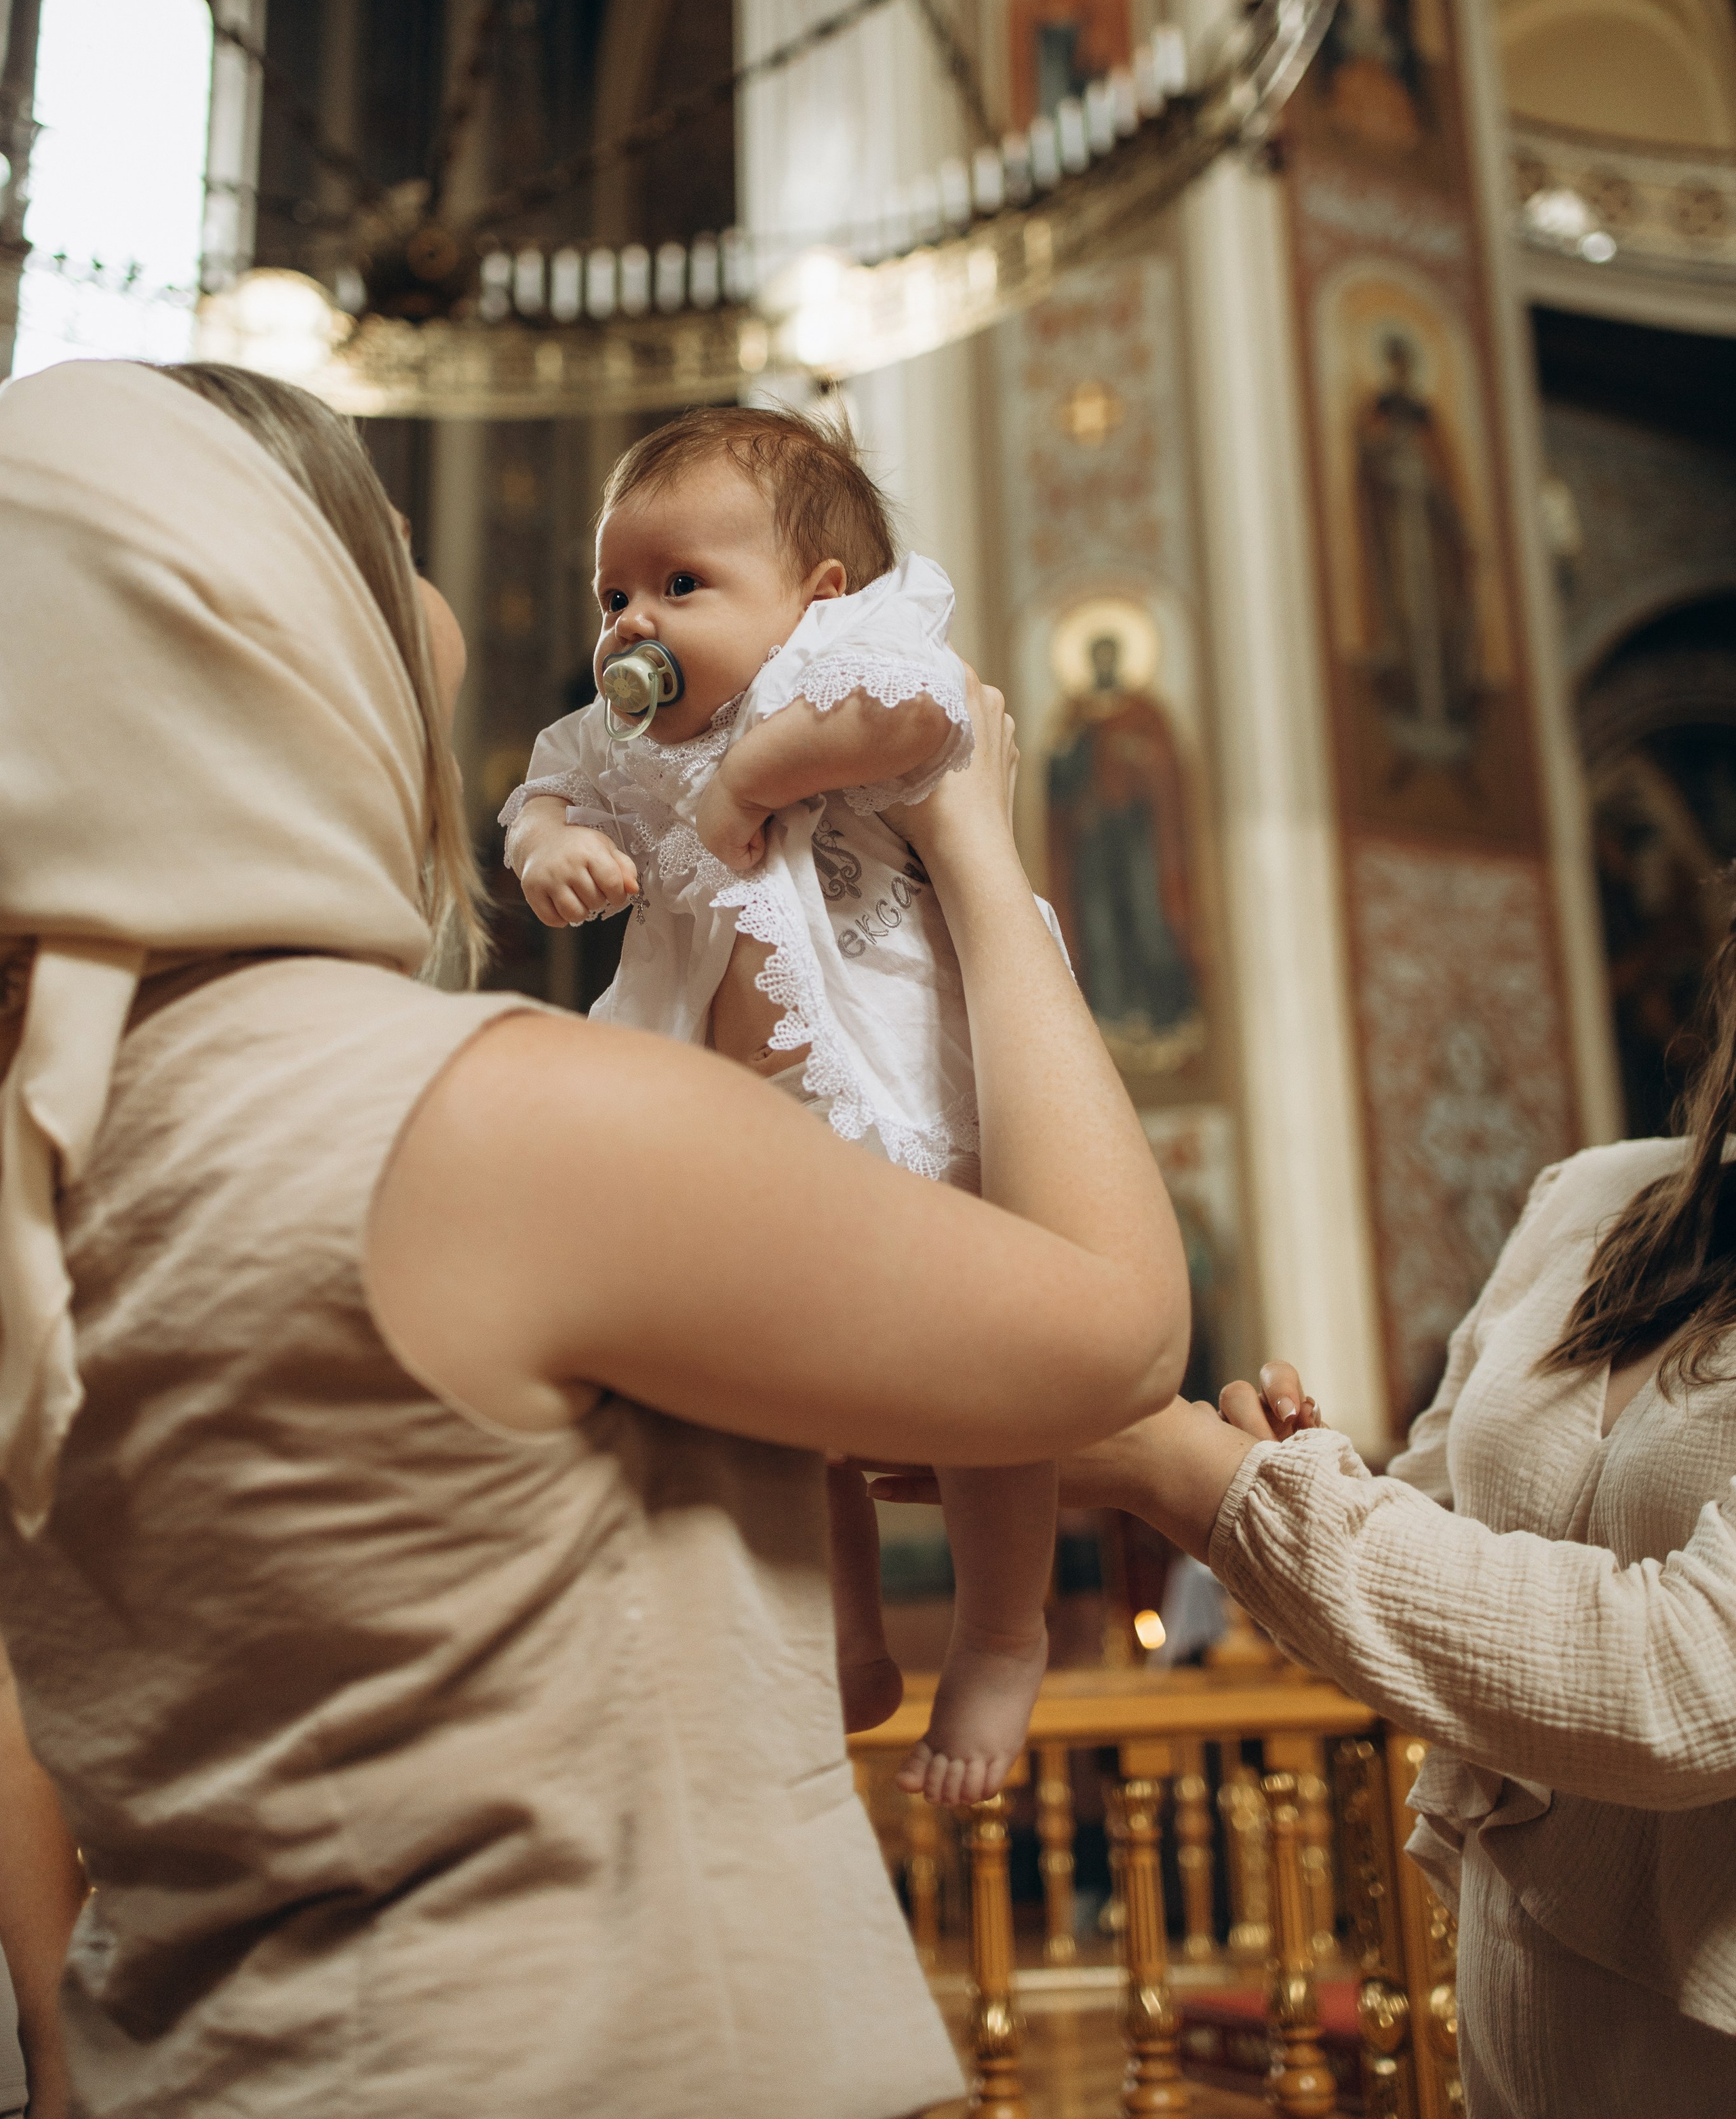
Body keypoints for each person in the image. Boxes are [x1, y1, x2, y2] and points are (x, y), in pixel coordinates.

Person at [0, 357, 1189, 2119]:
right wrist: (970, 844)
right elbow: (1119, 1335)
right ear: (254, 634)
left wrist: (53, 2037)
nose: (470, 626)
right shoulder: (496, 1123)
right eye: (392, 554)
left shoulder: (62, 1143)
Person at [874, 914, 1736, 2117]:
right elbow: (1432, 1528)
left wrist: (1188, 1472)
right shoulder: (1594, 1201)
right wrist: (1286, 1470)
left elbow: (1691, 1678)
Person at [501, 406, 1056, 1805]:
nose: (632, 622)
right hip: (734, 1134)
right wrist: (554, 843)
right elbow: (536, 789)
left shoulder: (840, 671)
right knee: (773, 1406)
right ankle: (850, 1638)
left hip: (900, 1099)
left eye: (680, 586)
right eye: (612, 593)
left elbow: (929, 711)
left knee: (983, 1387)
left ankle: (999, 1633)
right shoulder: (623, 748)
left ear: (812, 600)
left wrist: (756, 770)